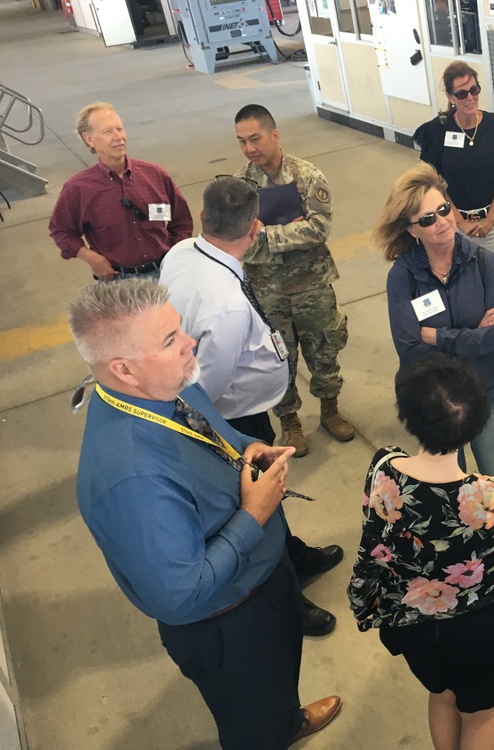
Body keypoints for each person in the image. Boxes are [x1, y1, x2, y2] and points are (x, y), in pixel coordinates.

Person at [69, 279, 342, 749]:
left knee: (276, 688)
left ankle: (286, 721)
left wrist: (245, 447)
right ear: (123, 369)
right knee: (250, 725)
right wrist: (255, 515)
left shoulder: (168, 386)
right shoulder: (131, 479)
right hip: (229, 623)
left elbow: (213, 432)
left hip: (263, 580)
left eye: (180, 329)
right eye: (171, 339)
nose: (190, 343)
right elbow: (179, 594)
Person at [159, 176, 345, 637]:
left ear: (203, 218)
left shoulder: (181, 253)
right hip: (231, 419)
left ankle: (293, 552)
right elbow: (213, 382)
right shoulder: (226, 305)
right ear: (255, 228)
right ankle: (286, 594)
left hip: (233, 409)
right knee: (256, 502)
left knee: (271, 497)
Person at [348, 354, 494, 750]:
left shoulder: (383, 469)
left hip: (415, 622)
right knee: (482, 714)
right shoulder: (491, 495)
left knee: (442, 695)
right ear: (476, 424)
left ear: (408, 417)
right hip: (483, 627)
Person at [375, 163, 494, 487]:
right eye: (427, 219)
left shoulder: (485, 263)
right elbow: (411, 350)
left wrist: (439, 337)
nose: (441, 221)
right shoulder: (402, 277)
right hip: (432, 398)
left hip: (483, 389)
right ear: (412, 230)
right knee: (446, 483)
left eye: (443, 209)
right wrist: (476, 334)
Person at [234, 103, 353, 456]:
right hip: (266, 292)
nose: (249, 148)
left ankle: (330, 411)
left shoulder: (308, 176)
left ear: (274, 134)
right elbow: (239, 240)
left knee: (324, 350)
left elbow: (318, 229)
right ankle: (290, 422)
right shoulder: (240, 188)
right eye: (241, 141)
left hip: (312, 287)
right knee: (277, 359)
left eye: (255, 138)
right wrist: (288, 230)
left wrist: (266, 235)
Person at [49, 102, 193, 280]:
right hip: (119, 280)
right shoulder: (78, 188)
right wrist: (91, 258)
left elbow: (182, 221)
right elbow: (61, 230)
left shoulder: (155, 175)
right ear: (89, 139)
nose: (119, 137)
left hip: (166, 273)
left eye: (120, 129)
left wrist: (175, 255)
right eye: (108, 131)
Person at [414, 61, 494, 258]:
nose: (470, 98)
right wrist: (459, 221)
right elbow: (433, 183)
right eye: (462, 93)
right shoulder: (438, 131)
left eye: (474, 90)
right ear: (450, 97)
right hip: (450, 223)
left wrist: (491, 218)